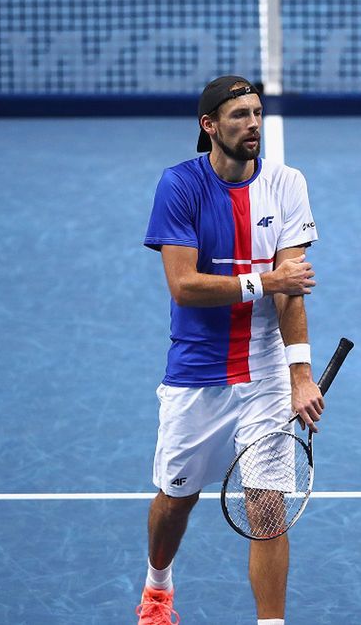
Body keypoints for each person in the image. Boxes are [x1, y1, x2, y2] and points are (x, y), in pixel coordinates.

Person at [138, 75, 325, 624]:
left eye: (258, 113)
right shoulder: (179, 186)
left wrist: (301, 374)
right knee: (176, 501)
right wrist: (263, 282)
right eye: (239, 115)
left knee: (268, 509)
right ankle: (158, 587)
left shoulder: (287, 183)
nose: (253, 124)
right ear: (209, 125)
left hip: (265, 370)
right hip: (198, 371)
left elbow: (292, 290)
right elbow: (184, 286)